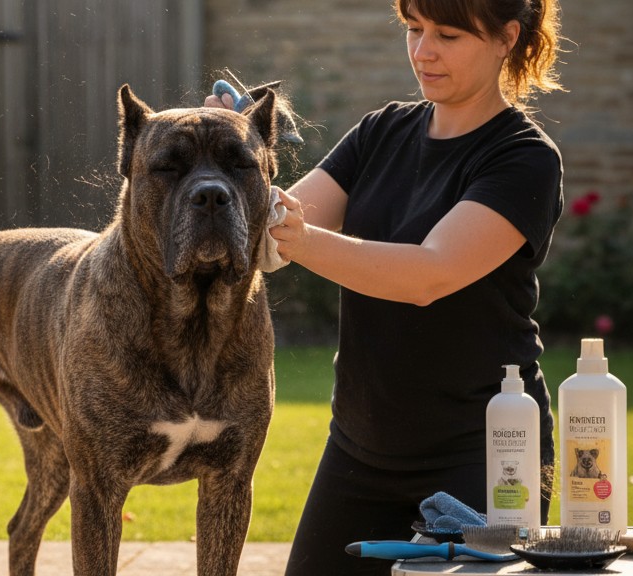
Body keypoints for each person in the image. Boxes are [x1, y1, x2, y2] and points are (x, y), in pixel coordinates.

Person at [206, 0, 564, 574]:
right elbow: (273, 236)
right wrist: (235, 155)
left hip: (488, 452)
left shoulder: (524, 159)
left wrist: (293, 236)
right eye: (414, 30)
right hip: (359, 447)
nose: (423, 52)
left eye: (447, 34)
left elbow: (428, 275)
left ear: (507, 38)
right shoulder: (381, 131)